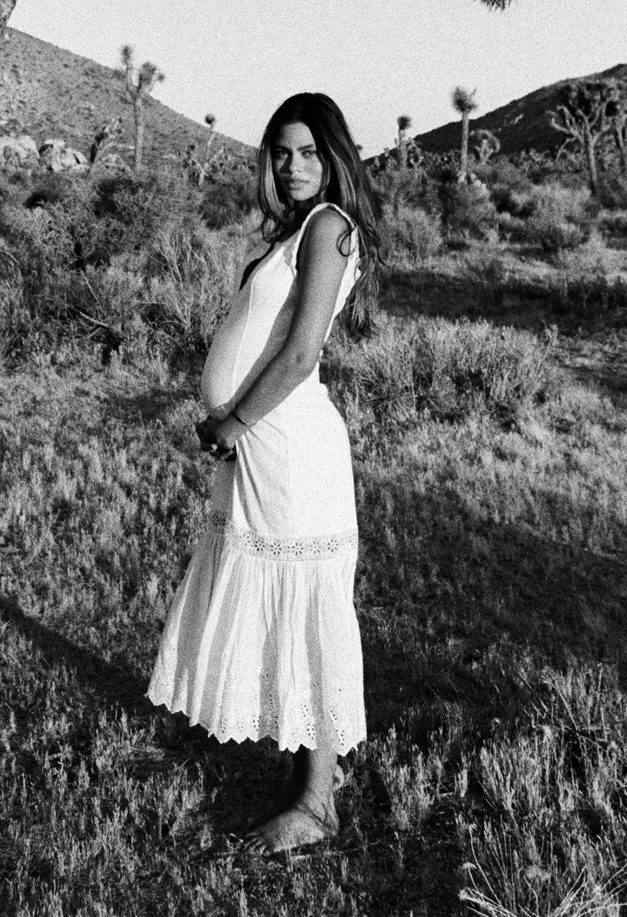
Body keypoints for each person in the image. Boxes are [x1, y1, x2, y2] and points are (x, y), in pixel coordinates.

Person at [146, 91, 379, 854]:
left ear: (335, 156)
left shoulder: (331, 227)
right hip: (260, 445)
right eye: (282, 151)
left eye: (310, 151)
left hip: (289, 448)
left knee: (307, 606)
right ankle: (306, 775)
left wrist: (232, 422)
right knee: (280, 605)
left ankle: (316, 804)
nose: (294, 164)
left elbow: (301, 350)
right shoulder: (294, 229)